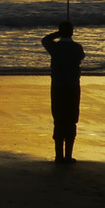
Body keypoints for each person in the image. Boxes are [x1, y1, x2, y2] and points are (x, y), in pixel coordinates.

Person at [41, 21, 84, 162]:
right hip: (72, 87)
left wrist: (58, 34)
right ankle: (68, 156)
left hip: (58, 87)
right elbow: (81, 57)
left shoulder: (55, 47)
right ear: (72, 32)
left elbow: (45, 40)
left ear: (60, 32)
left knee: (58, 119)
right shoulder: (77, 48)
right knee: (71, 120)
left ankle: (59, 156)